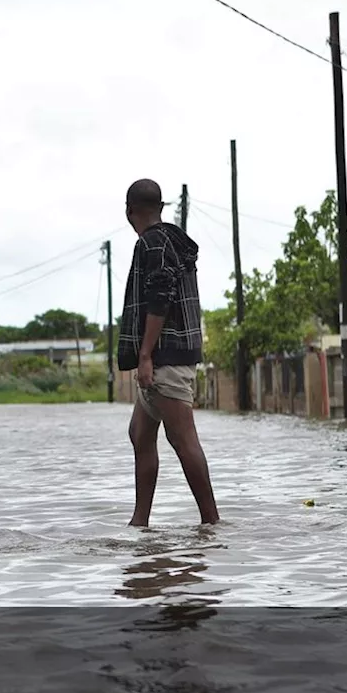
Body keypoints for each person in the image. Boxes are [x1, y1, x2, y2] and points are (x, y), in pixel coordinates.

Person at [118, 178, 220, 527]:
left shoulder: (152, 244)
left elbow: (159, 300)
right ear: (160, 208)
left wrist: (145, 356)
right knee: (140, 433)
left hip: (165, 356)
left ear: (130, 211)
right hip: (172, 352)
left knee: (182, 438)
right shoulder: (171, 242)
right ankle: (140, 522)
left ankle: (211, 523)